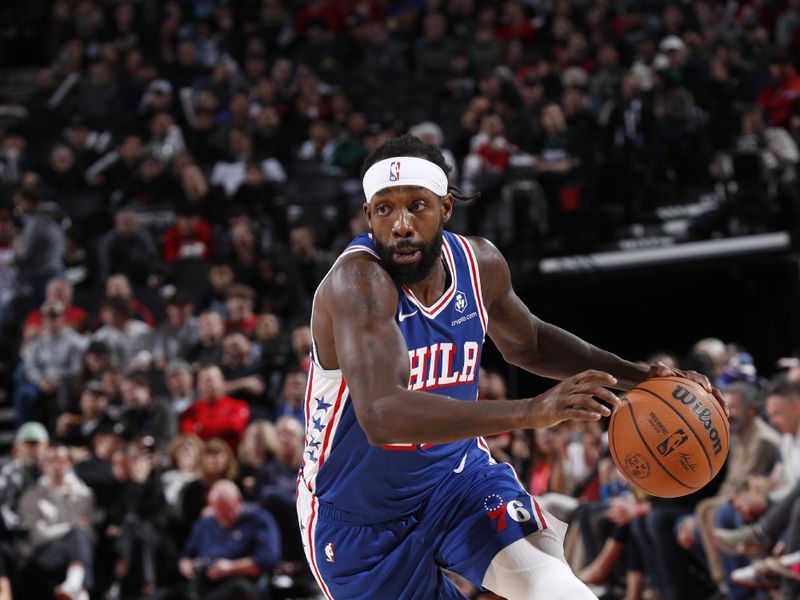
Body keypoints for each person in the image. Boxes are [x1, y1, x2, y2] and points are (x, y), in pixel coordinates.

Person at [297, 134, 723, 599]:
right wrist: (530, 411)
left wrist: (642, 377)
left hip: (456, 481)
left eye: (416, 205)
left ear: (445, 208)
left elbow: (532, 342)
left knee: (557, 590)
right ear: (368, 216)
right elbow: (382, 416)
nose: (400, 224)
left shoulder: (479, 263)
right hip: (359, 521)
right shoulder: (356, 283)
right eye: (384, 209)